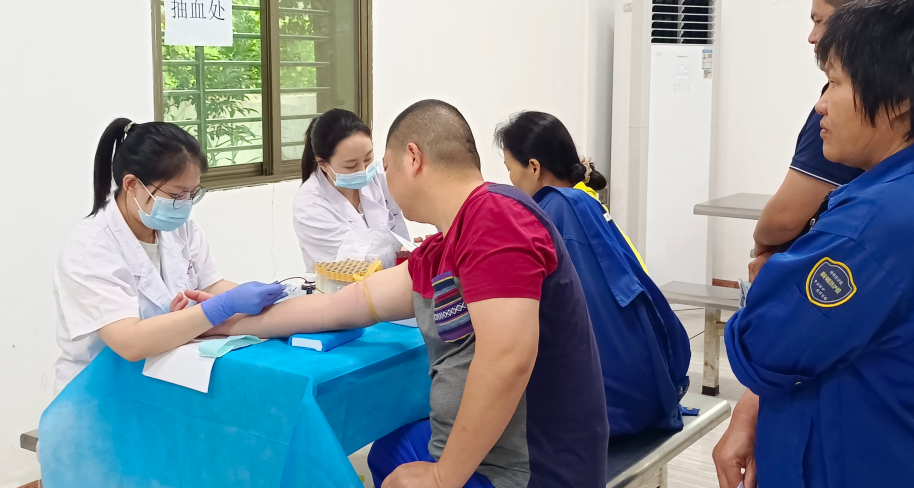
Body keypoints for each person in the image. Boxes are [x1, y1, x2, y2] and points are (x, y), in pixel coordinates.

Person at [212, 100, 607, 488]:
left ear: (413, 158)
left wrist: (442, 477)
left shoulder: (495, 220)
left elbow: (508, 359)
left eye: (383, 167)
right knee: (389, 452)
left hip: (528, 468)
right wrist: (225, 320)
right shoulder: (445, 247)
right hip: (492, 455)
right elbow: (337, 307)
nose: (379, 180)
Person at [713, 0, 914, 488]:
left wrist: (768, 283)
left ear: (900, 99)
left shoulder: (877, 223)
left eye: (835, 82)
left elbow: (765, 343)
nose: (820, 104)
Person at [494, 110, 691, 437]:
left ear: (534, 167)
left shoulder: (549, 213)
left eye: (509, 169)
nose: (510, 180)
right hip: (648, 391)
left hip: (602, 412)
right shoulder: (587, 203)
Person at [52, 119, 286, 393]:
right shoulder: (89, 248)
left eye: (192, 194)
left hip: (163, 382)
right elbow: (130, 342)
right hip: (102, 392)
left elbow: (211, 284)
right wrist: (221, 307)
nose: (185, 204)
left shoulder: (179, 228)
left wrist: (264, 300)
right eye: (176, 195)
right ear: (132, 184)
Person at [751, 0, 901, 279]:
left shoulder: (853, 109)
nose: (812, 36)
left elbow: (785, 217)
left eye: (821, 21)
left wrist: (763, 245)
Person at [293, 108, 411, 272]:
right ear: (323, 164)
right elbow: (352, 262)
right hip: (345, 284)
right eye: (351, 165)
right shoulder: (310, 205)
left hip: (398, 276)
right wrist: (409, 252)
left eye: (368, 158)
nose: (363, 170)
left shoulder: (379, 175)